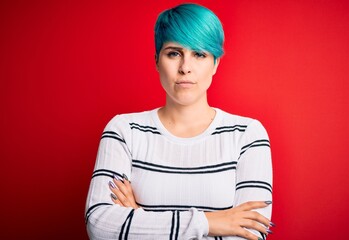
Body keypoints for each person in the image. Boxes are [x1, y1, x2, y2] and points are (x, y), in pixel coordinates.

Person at [85, 3, 273, 240]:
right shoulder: (124, 131)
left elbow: (252, 234)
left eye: (199, 54)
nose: (185, 68)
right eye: (174, 53)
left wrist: (141, 220)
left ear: (215, 64)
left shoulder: (248, 135)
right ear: (156, 60)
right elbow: (99, 225)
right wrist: (210, 222)